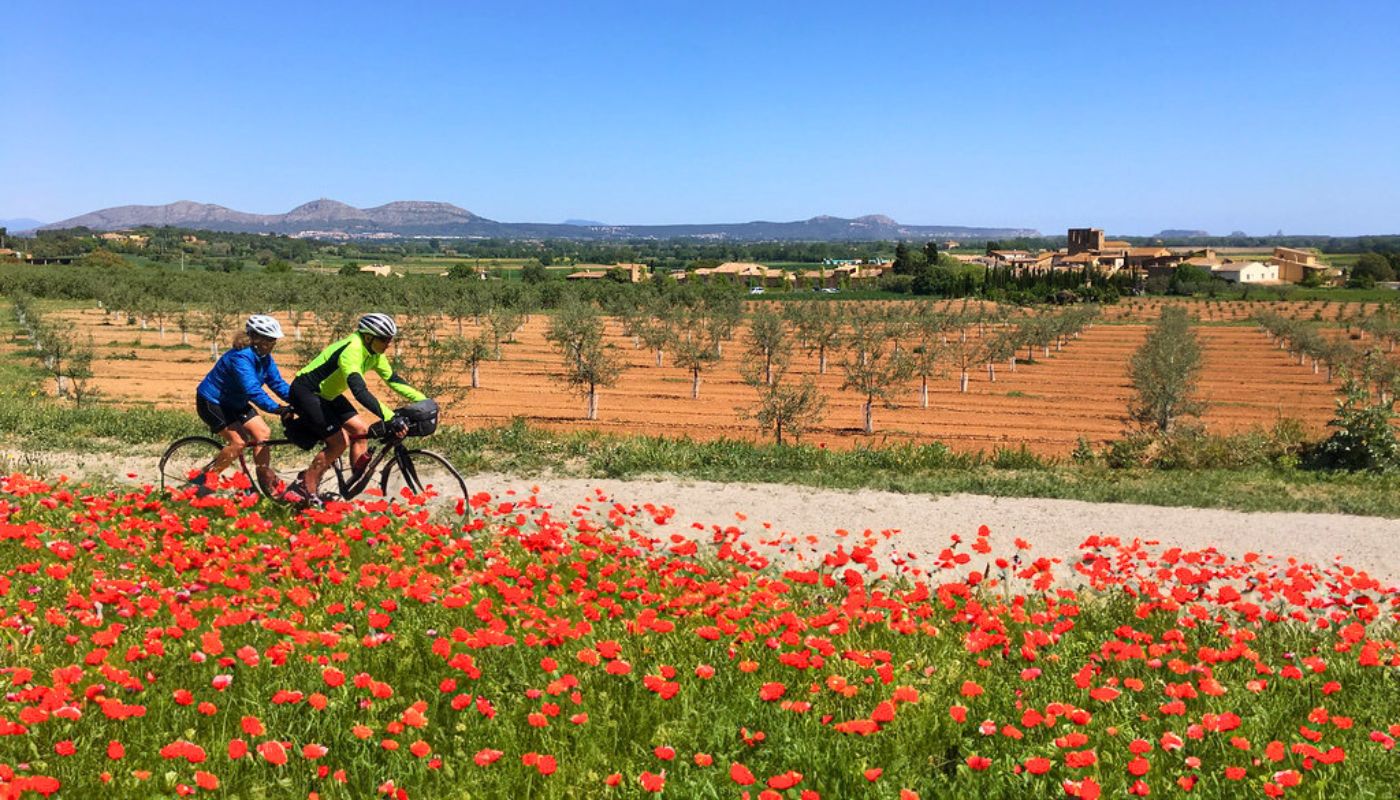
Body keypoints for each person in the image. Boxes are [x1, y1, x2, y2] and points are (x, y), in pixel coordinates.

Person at [282, 313, 426, 507]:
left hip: (328, 394)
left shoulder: (374, 354)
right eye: (384, 339)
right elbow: (359, 391)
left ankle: (353, 483)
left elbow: (393, 380)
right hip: (306, 392)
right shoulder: (352, 350)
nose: (389, 343)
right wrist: (390, 417)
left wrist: (424, 401)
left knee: (361, 431)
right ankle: (305, 485)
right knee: (338, 443)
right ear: (368, 337)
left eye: (391, 339)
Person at [193, 314, 292, 495]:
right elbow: (252, 389)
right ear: (255, 338)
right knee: (239, 442)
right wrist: (277, 408)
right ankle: (205, 482)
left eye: (274, 340)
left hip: (236, 402)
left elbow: (277, 383)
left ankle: (264, 477)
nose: (273, 344)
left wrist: (299, 399)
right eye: (269, 340)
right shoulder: (241, 357)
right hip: (213, 402)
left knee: (263, 433)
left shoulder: (264, 356)